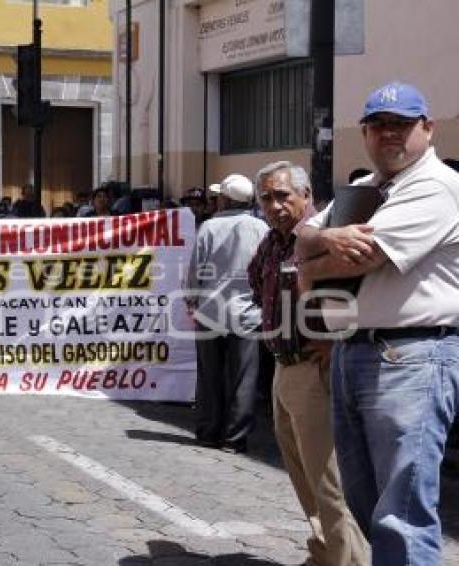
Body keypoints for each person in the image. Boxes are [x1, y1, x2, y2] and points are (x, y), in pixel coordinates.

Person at [295, 81, 459, 565]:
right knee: (369, 508)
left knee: (401, 516)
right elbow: (303, 231)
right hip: (357, 351)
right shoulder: (365, 188)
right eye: (379, 125)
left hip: (412, 355)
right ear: (365, 133)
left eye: (402, 125)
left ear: (427, 129)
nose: (390, 134)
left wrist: (308, 262)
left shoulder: (436, 187)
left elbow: (355, 261)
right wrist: (320, 241)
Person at [248, 161, 368, 565]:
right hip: (284, 367)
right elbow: (256, 285)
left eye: (283, 195)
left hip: (316, 372)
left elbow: (363, 286)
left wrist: (338, 340)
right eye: (266, 197)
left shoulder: (320, 237)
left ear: (305, 196)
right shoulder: (270, 243)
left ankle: (347, 561)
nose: (275, 204)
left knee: (327, 479)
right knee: (302, 474)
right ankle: (325, 552)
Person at [184, 173, 268, 453]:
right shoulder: (261, 228)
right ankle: (235, 437)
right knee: (244, 377)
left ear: (225, 199)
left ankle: (209, 432)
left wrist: (190, 299)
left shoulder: (209, 227)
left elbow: (196, 269)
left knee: (209, 375)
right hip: (248, 312)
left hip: (210, 311)